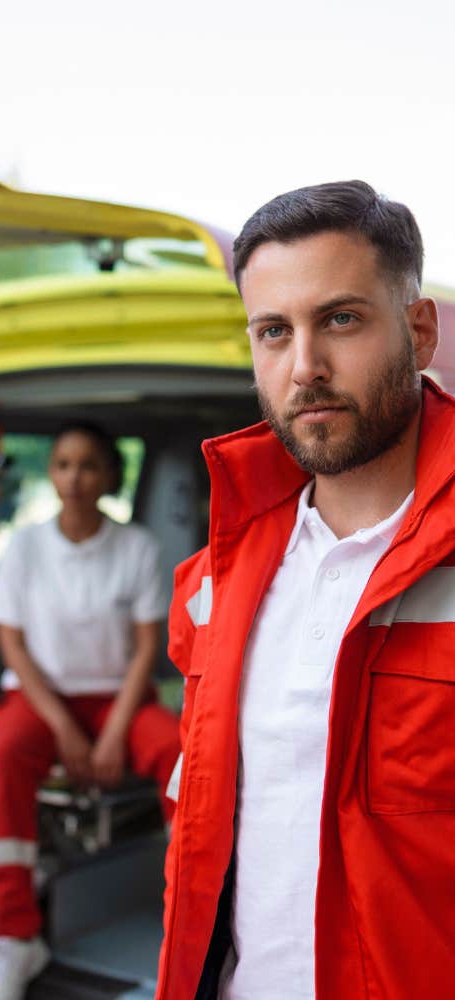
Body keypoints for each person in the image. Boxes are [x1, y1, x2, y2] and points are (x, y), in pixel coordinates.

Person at [154, 180, 453, 1000]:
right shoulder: (218, 574)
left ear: (418, 331)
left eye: (342, 320)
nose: (305, 368)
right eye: (274, 332)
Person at [0, 421, 181, 1000]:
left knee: (181, 755)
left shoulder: (137, 547)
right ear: (52, 472)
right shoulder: (25, 546)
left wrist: (114, 733)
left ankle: (189, 916)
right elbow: (12, 643)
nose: (75, 477)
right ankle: (14, 936)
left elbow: (146, 647)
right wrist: (63, 726)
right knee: (8, 756)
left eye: (89, 465)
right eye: (63, 464)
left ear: (111, 476)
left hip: (119, 697)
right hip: (40, 698)